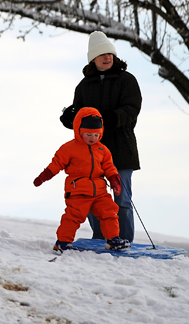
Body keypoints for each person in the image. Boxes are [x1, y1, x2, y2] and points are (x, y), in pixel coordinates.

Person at [59, 31, 142, 242]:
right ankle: (101, 239)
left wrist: (103, 121)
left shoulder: (127, 80)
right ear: (93, 59)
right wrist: (70, 119)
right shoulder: (84, 86)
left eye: (110, 53)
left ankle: (124, 240)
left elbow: (131, 111)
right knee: (91, 196)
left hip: (121, 149)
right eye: (102, 54)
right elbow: (80, 120)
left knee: (121, 198)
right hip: (91, 153)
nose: (107, 57)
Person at [34, 107, 129, 253]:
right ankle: (63, 242)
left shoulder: (103, 150)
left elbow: (109, 167)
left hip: (99, 190)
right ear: (79, 130)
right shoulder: (69, 148)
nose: (93, 138)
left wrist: (114, 181)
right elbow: (56, 164)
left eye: (96, 134)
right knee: (73, 216)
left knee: (109, 213)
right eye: (88, 134)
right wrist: (44, 176)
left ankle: (112, 240)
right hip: (78, 189)